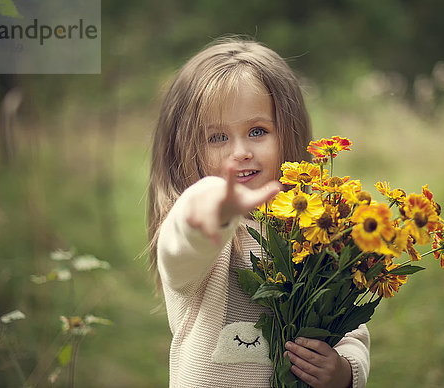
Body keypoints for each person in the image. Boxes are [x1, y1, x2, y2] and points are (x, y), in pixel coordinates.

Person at [147, 37, 370, 388]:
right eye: (217, 137)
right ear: (185, 151)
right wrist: (207, 207)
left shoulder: (316, 232)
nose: (241, 151)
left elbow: (349, 330)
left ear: (289, 134)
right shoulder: (206, 239)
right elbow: (179, 248)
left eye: (257, 131)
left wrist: (344, 372)